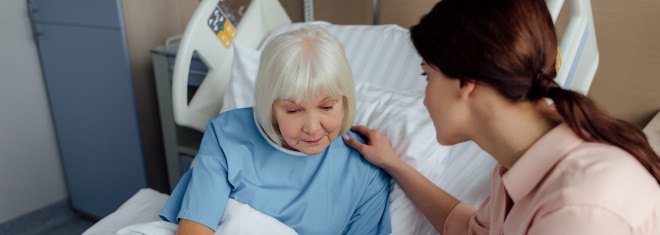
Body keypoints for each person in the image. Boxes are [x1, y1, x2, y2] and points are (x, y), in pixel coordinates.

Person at [343, 0, 660, 234]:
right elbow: (466, 227)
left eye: (427, 77)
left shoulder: (579, 208)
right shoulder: (521, 164)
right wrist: (394, 163)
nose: (424, 98)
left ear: (466, 83)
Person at [160, 26, 392, 235]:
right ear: (270, 105)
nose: (312, 128)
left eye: (327, 107)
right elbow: (195, 229)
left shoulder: (366, 171)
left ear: (345, 100)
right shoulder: (226, 136)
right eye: (293, 110)